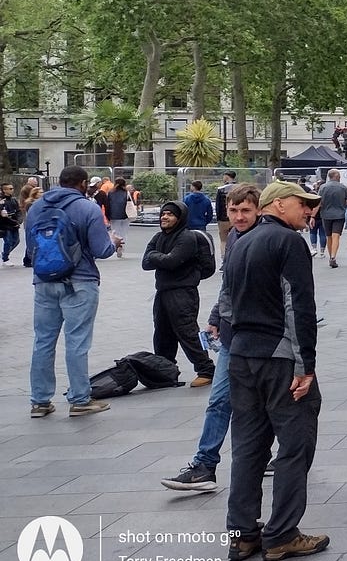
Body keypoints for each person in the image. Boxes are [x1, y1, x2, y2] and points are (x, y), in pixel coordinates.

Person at [224, 180, 327, 561]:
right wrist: (306, 367)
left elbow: (228, 306)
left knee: (248, 447)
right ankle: (282, 534)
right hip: (279, 359)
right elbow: (297, 307)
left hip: (242, 356)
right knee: (295, 445)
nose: (309, 210)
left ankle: (242, 534)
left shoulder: (241, 241)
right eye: (303, 203)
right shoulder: (288, 243)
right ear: (280, 204)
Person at [161, 183, 264, 492]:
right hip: (234, 335)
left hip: (264, 336)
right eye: (234, 210)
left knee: (271, 402)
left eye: (246, 210)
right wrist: (216, 318)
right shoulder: (233, 237)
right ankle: (205, 465)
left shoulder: (269, 238)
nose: (239, 216)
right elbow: (227, 283)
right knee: (219, 401)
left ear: (258, 209)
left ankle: (285, 453)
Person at [27, 165, 120, 417]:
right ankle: (80, 399)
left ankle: (40, 401)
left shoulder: (36, 208)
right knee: (77, 341)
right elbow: (102, 250)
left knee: (43, 340)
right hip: (80, 281)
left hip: (44, 282)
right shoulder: (87, 207)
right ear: (82, 183)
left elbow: (29, 253)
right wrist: (113, 242)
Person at [142, 200, 215, 387]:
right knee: (162, 334)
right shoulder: (158, 237)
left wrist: (155, 257)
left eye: (170, 214)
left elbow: (172, 261)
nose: (165, 217)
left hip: (182, 292)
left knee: (187, 332)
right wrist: (159, 258)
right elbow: (145, 263)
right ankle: (165, 371)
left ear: (180, 218)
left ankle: (206, 369)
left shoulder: (187, 237)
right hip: (163, 291)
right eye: (163, 213)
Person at [316, 169, 347, 269]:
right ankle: (333, 256)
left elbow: (319, 202)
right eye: (339, 176)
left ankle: (331, 255)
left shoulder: (322, 187)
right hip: (339, 214)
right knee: (336, 236)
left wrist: (313, 216)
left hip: (325, 215)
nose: (340, 178)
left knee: (328, 236)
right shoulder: (343, 187)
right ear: (335, 176)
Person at [215, 171, 237, 258]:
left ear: (227, 177)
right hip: (234, 217)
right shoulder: (239, 188)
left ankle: (224, 258)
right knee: (236, 237)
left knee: (223, 240)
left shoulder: (221, 189)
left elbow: (218, 206)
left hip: (223, 218)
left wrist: (218, 218)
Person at [0, 182, 19, 266]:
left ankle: (5, 253)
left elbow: (18, 211)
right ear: (4, 190)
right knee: (8, 241)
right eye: (10, 189)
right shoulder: (2, 201)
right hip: (6, 225)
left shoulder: (13, 200)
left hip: (14, 224)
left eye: (12, 188)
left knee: (16, 241)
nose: (12, 190)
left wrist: (18, 220)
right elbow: (3, 215)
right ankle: (5, 258)